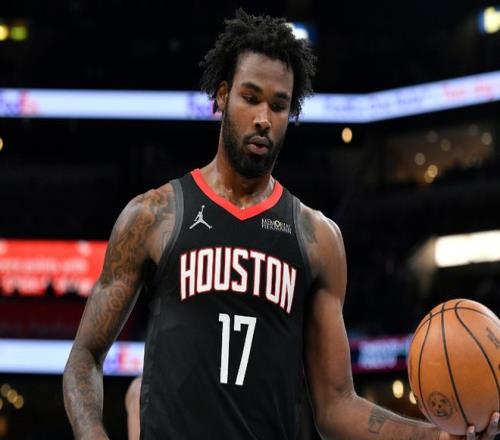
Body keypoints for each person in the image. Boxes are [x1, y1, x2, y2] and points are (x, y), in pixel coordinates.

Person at [62, 9, 500, 440]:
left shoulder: (317, 238)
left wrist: (435, 438)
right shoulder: (154, 215)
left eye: (278, 105)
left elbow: (336, 405)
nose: (263, 118)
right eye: (250, 97)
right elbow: (85, 356)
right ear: (221, 95)